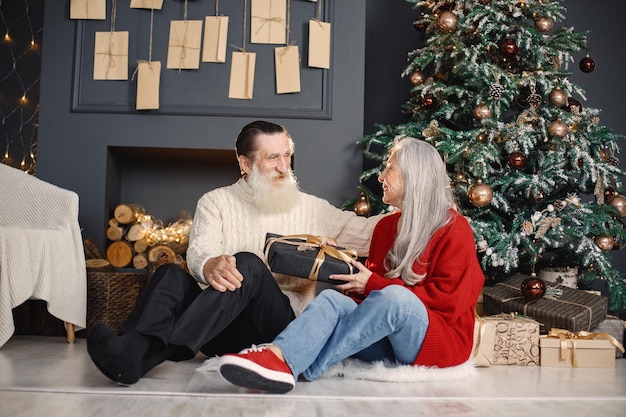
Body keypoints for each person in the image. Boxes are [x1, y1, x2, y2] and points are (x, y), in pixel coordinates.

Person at [86, 120, 381, 385]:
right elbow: (200, 252)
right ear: (245, 164)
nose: (284, 166)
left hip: (277, 332)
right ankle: (132, 349)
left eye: (287, 155)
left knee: (249, 263)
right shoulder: (215, 202)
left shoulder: (311, 208)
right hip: (220, 330)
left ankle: (160, 350)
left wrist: (410, 201)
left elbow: (370, 234)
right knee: (169, 274)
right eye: (272, 157)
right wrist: (210, 264)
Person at [217, 136, 485, 394]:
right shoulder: (384, 228)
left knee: (394, 298)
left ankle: (305, 367)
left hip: (438, 343)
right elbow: (368, 302)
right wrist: (351, 282)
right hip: (386, 340)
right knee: (333, 300)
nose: (381, 177)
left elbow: (449, 303)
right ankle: (279, 356)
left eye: (389, 169)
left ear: (414, 176)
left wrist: (374, 285)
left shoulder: (454, 229)